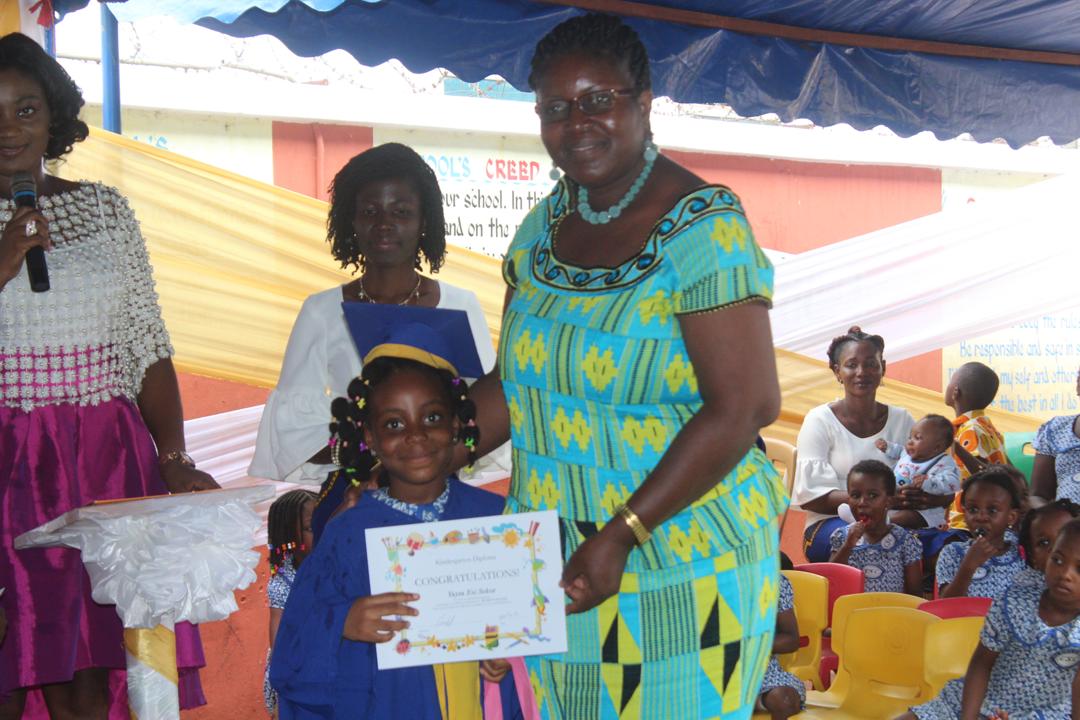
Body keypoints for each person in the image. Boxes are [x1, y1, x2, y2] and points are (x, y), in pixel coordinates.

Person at [459, 14, 787, 717]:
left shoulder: (706, 228)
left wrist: (621, 534)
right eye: (555, 108)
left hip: (679, 555)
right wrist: (404, 455)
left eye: (598, 100)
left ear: (643, 102)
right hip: (555, 556)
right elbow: (519, 389)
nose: (577, 123)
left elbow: (746, 407)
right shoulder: (540, 230)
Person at [0, 33, 214, 718]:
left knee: (99, 660)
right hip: (11, 465)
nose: (10, 129)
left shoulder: (105, 211)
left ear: (53, 118)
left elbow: (146, 346)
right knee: (22, 653)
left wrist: (173, 456)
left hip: (105, 461)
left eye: (26, 109)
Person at [269, 305, 521, 719]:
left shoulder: (496, 521)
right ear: (368, 435)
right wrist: (344, 623)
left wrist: (510, 657)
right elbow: (293, 651)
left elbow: (530, 626)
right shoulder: (348, 533)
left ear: (458, 424)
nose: (416, 435)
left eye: (433, 417)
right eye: (394, 424)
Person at [247, 142, 496, 543]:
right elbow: (292, 434)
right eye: (370, 212)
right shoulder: (321, 312)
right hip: (352, 502)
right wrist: (372, 452)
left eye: (401, 212)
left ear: (424, 222)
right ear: (351, 221)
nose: (384, 225)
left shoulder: (461, 306)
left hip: (442, 501)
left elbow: (483, 413)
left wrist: (415, 453)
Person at [899, 518, 1080, 720]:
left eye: (1079, 568)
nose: (1066, 574)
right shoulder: (1015, 601)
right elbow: (981, 664)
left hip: (1040, 714)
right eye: (1058, 560)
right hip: (980, 697)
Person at [792, 326, 917, 562]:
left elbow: (922, 477)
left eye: (871, 364)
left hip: (893, 522)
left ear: (883, 368)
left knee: (937, 545)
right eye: (852, 365)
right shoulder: (819, 420)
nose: (862, 372)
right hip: (829, 523)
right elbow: (812, 497)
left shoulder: (903, 421)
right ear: (838, 372)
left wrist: (891, 512)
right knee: (867, 543)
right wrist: (876, 504)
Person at [828, 460, 923, 595]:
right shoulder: (842, 537)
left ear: (888, 501)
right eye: (855, 495)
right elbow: (830, 580)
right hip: (850, 613)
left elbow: (915, 593)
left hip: (890, 613)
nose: (862, 503)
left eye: (872, 496)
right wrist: (848, 546)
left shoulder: (904, 542)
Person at [264, 489, 317, 717]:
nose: (322, 530)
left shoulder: (337, 563)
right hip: (301, 676)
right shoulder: (284, 582)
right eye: (309, 528)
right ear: (289, 538)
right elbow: (280, 648)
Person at [936, 468, 1025, 599]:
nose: (981, 517)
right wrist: (968, 566)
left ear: (1011, 517)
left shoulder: (1022, 553)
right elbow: (945, 605)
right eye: (973, 509)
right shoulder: (953, 553)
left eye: (992, 510)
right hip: (966, 620)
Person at [943, 361, 1009, 533]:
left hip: (964, 523)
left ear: (956, 392)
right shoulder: (987, 426)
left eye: (950, 381)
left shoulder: (970, 429)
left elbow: (982, 473)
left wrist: (954, 445)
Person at [876, 414, 962, 529]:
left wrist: (929, 482)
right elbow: (899, 451)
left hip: (924, 512)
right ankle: (867, 516)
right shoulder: (908, 454)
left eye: (917, 438)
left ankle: (879, 523)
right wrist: (887, 447)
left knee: (906, 516)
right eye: (910, 438)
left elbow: (953, 482)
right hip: (898, 501)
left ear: (937, 447)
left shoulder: (945, 462)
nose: (910, 442)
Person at [756, 572, 805, 720]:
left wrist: (749, 646)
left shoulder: (774, 581)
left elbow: (791, 639)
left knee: (784, 699)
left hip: (763, 673)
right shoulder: (703, 578)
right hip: (710, 673)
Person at [1031, 365, 1080, 506]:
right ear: (1078, 385)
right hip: (1060, 524)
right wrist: (1054, 521)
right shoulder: (1055, 430)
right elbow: (1037, 495)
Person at [1014, 498, 1080, 586]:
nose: (1056, 548)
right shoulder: (1025, 588)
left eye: (1065, 538)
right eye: (1044, 543)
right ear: (1032, 556)